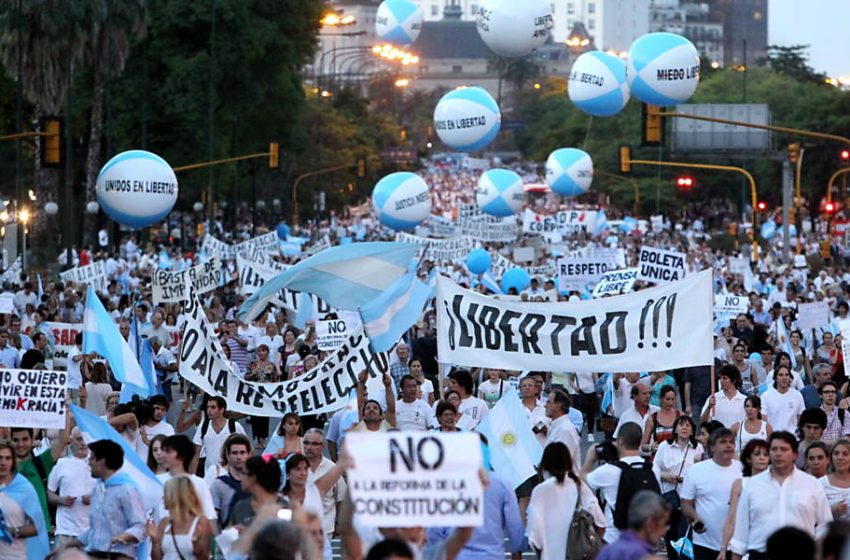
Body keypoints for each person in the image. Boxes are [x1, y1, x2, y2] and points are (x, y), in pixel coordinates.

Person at [730, 431, 833, 560]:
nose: (778, 454)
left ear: (795, 454)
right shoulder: (753, 485)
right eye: (774, 449)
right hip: (761, 554)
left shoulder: (811, 484)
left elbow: (825, 524)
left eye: (784, 449)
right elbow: (741, 531)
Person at [427, 435, 525, 560]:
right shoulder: (502, 484)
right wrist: (517, 551)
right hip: (492, 555)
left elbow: (435, 527)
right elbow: (514, 523)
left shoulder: (447, 483)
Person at [526, 442, 605, 560]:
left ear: (545, 463)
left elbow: (534, 536)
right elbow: (601, 523)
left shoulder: (540, 491)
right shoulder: (579, 486)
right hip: (579, 555)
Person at [76, 439, 146, 559]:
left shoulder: (126, 489)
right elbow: (96, 529)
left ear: (102, 461)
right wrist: (70, 544)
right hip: (94, 554)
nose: (89, 463)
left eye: (92, 458)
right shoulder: (98, 489)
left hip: (117, 556)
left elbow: (140, 526)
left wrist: (123, 536)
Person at [583, 422, 650, 545]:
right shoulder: (652, 468)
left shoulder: (609, 470)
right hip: (643, 538)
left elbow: (582, 481)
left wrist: (590, 458)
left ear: (620, 441)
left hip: (614, 538)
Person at [680, 427, 742, 560]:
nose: (728, 446)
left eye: (731, 442)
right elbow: (686, 504)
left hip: (736, 545)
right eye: (723, 442)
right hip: (703, 543)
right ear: (712, 447)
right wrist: (695, 518)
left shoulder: (743, 470)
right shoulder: (697, 470)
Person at [10, 419, 71, 532]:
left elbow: (63, 440)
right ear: (10, 441)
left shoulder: (41, 462)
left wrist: (64, 413)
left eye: (25, 439)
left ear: (32, 440)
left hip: (40, 533)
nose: (20, 444)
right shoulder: (4, 466)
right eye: (16, 440)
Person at [47, 427, 97, 548]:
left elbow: (108, 493)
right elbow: (49, 493)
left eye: (85, 439)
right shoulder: (62, 464)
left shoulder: (97, 464)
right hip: (65, 531)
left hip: (92, 531)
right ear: (71, 440)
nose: (83, 443)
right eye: (79, 439)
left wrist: (94, 499)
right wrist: (61, 500)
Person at [719, 438, 770, 556]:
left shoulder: (776, 483)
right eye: (757, 454)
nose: (762, 458)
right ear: (748, 459)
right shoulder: (740, 484)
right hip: (745, 545)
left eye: (766, 455)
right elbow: (731, 519)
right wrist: (723, 548)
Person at [0, 440, 49, 559]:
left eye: (8, 458)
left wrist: (12, 531)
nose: (3, 462)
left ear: (13, 461)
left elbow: (37, 526)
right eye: (0, 458)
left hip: (15, 556)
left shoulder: (24, 488)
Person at [146, 476, 213, 560]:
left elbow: (204, 556)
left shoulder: (200, 523)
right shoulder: (165, 523)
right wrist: (155, 542)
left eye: (166, 493)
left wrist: (198, 545)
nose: (163, 498)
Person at [160, 435, 218, 526]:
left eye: (168, 451)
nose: (163, 455)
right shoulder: (157, 480)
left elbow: (209, 516)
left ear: (182, 455)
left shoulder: (199, 483)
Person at [595, 491, 671, 560]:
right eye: (664, 525)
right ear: (650, 524)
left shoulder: (607, 551)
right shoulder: (644, 556)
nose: (664, 532)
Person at [303, 428, 347, 537]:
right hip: (299, 527)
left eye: (314, 444)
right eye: (306, 443)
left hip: (325, 528)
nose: (309, 447)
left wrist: (339, 523)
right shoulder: (294, 466)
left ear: (323, 446)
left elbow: (341, 498)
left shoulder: (332, 468)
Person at [191, 396, 246, 475]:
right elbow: (196, 452)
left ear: (221, 410)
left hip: (231, 475)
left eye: (213, 407)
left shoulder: (234, 426)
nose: (209, 410)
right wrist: (193, 477)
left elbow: (247, 449)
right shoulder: (204, 427)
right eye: (208, 407)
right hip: (210, 475)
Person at [228, 456, 288, 528]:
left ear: (254, 477)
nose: (241, 478)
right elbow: (227, 535)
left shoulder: (283, 508)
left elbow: (287, 536)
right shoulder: (240, 507)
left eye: (244, 473)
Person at [209, 433, 253, 527]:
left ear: (249, 455)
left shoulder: (257, 483)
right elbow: (213, 516)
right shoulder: (218, 484)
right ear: (228, 456)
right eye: (234, 453)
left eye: (242, 452)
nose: (239, 457)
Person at [760, 365, 804, 434]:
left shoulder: (797, 395)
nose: (784, 378)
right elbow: (763, 420)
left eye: (787, 375)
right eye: (781, 375)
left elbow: (801, 417)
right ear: (775, 378)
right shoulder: (765, 396)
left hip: (793, 437)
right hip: (773, 437)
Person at [544, 388, 581, 467]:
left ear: (558, 405)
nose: (544, 405)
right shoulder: (556, 426)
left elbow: (562, 463)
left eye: (548, 402)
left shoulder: (565, 430)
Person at [641, 385, 681, 453]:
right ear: (661, 398)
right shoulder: (652, 419)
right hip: (658, 456)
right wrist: (650, 447)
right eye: (667, 399)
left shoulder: (680, 416)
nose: (670, 402)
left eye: (673, 399)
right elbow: (643, 445)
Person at [820, 439, 850, 521]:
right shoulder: (820, 483)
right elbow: (812, 513)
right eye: (836, 454)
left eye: (845, 454)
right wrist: (831, 510)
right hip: (828, 531)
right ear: (831, 458)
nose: (840, 457)